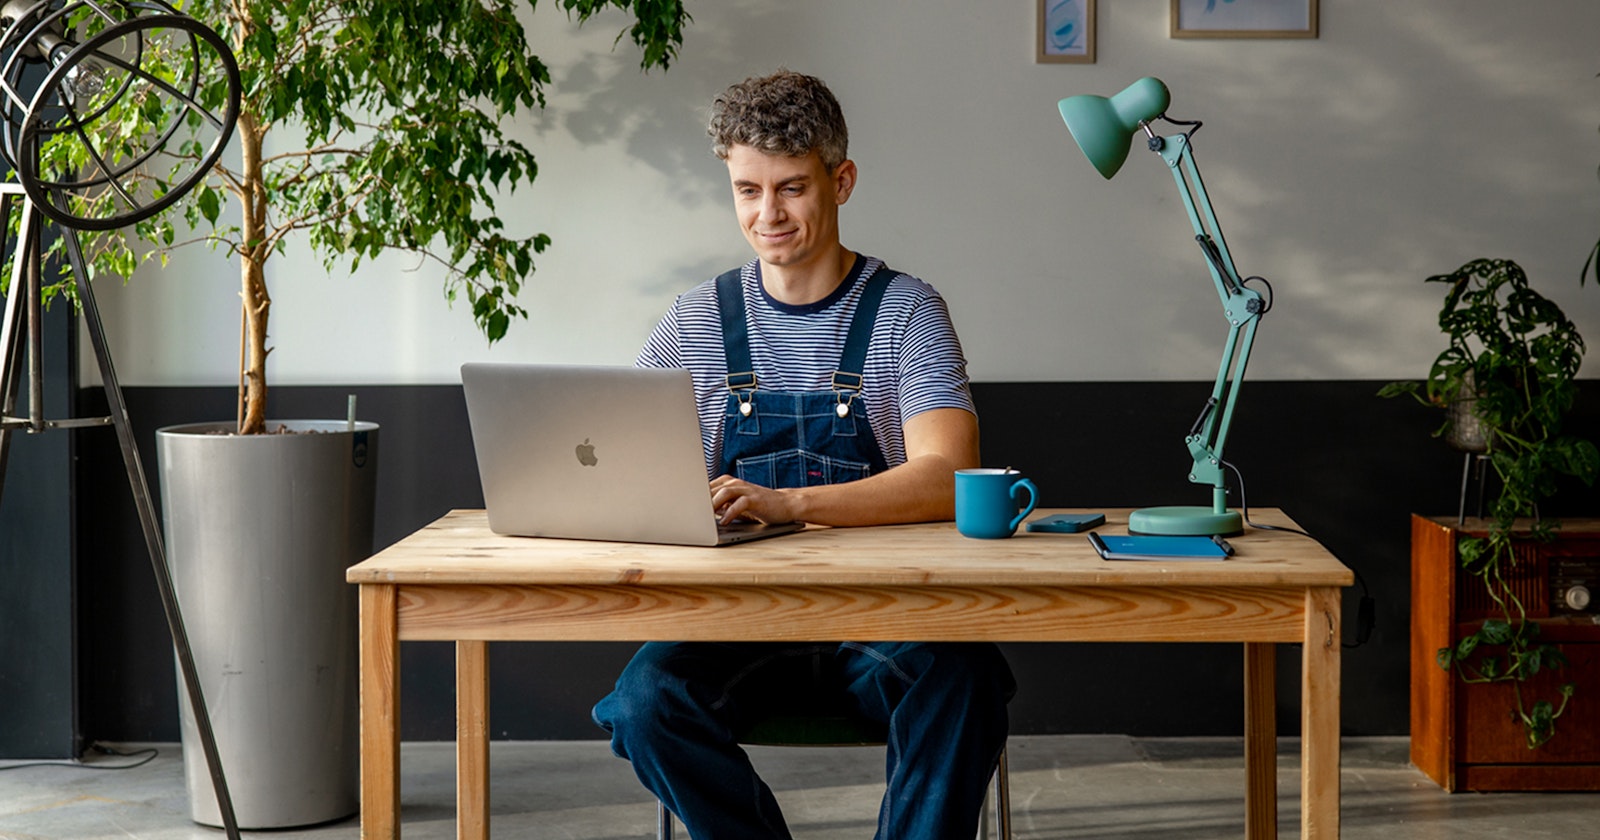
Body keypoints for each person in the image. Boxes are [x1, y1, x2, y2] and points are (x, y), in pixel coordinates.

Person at [591, 69, 1015, 840]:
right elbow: (627, 470)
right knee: (644, 701)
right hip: (737, 628)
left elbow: (946, 474)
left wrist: (788, 506)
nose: (768, 214)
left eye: (790, 187)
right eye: (747, 190)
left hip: (882, 626)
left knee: (966, 675)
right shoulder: (692, 323)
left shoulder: (905, 311)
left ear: (841, 180)